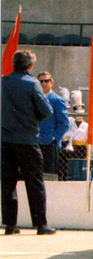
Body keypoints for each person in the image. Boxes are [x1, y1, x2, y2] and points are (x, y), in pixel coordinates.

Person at [1, 49, 56, 235]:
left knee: (7, 184)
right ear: (30, 66)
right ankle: (41, 224)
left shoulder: (3, 82)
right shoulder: (32, 83)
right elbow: (46, 111)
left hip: (5, 140)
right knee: (35, 183)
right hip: (27, 140)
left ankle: (10, 225)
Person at [36, 71, 69, 176]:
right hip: (35, 142)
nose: (44, 83)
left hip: (50, 143)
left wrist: (54, 137)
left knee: (49, 174)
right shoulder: (35, 99)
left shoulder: (57, 100)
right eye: (41, 81)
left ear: (52, 82)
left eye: (46, 80)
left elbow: (64, 123)